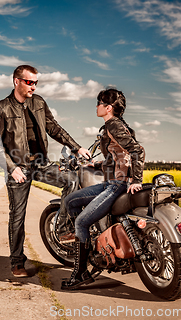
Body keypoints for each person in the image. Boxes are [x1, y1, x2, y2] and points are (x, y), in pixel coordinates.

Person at [0, 65, 91, 277]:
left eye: (36, 82)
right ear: (17, 82)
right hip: (18, 168)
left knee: (71, 180)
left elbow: (54, 128)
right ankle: (17, 262)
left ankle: (61, 227)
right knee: (17, 216)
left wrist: (76, 147)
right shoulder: (2, 108)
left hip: (41, 163)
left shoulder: (39, 103)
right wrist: (11, 168)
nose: (33, 86)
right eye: (29, 82)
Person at [60, 88, 145, 290]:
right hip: (109, 182)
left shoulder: (114, 125)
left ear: (108, 108)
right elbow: (117, 156)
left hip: (117, 185)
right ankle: (89, 243)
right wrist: (96, 166)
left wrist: (136, 179)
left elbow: (136, 150)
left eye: (99, 102)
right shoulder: (112, 126)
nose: (96, 106)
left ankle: (81, 274)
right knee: (70, 201)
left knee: (81, 221)